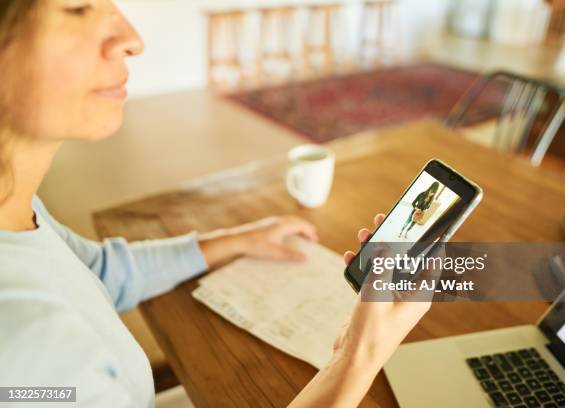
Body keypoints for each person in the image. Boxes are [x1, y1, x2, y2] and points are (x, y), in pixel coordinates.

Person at [0, 1, 431, 406]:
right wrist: (358, 357)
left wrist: (241, 240)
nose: (133, 38)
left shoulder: (15, 204)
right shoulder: (26, 349)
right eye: (76, 7)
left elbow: (98, 273)